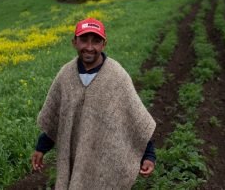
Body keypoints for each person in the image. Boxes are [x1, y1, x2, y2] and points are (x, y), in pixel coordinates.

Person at [31, 18, 156, 189]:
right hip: (73, 159)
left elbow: (134, 121)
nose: (89, 47)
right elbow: (58, 119)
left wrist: (148, 155)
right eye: (84, 40)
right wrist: (41, 148)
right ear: (74, 42)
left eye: (96, 41)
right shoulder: (65, 76)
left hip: (104, 163)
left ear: (104, 44)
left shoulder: (117, 77)